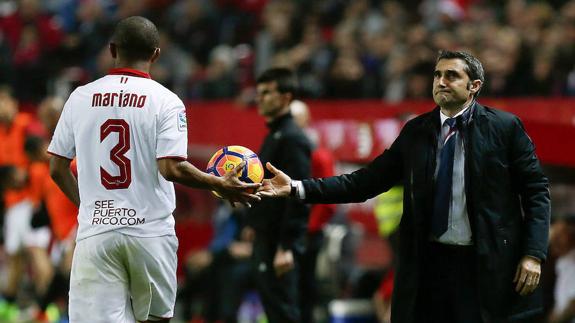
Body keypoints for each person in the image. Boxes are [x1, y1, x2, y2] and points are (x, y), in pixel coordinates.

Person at [258, 50, 551, 323]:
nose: (441, 82)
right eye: (437, 75)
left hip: (484, 264)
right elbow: (365, 182)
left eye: (451, 75)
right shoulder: (416, 132)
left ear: (474, 86)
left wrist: (533, 253)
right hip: (429, 265)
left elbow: (536, 190)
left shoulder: (504, 127)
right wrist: (297, 187)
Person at [47, 16, 260, 323]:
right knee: (155, 319)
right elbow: (172, 168)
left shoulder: (79, 98)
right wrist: (219, 183)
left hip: (97, 234)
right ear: (156, 54)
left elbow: (56, 167)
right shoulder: (166, 101)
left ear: (112, 49)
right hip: (149, 232)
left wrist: (89, 208)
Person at [245, 67, 312, 323]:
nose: (259, 98)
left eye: (266, 93)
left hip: (278, 244)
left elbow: (298, 194)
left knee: (283, 312)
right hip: (267, 237)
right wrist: (254, 223)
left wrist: (287, 247)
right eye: (258, 93)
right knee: (274, 311)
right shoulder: (274, 135)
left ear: (286, 97)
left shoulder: (293, 139)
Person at [290, 99, 337, 323]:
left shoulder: (317, 154)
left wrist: (309, 229)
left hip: (308, 233)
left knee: (305, 285)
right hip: (290, 231)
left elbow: (327, 199)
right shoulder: (285, 149)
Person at [548, 214, 575, 323]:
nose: (554, 239)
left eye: (560, 235)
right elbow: (560, 305)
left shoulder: (572, 260)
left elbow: (573, 305)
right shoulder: (561, 262)